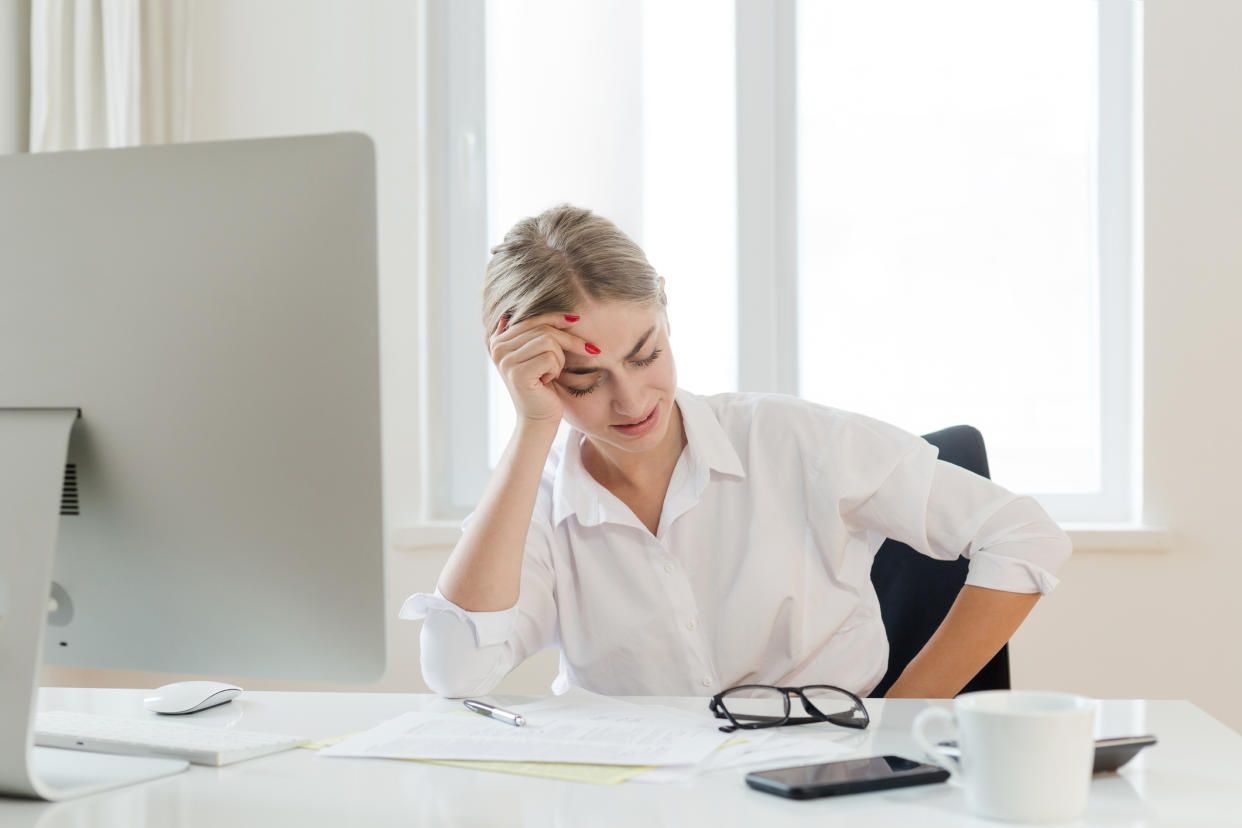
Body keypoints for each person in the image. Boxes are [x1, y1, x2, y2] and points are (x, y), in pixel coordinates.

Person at [402, 204, 1071, 699]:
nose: (633, 401)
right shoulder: (541, 501)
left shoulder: (794, 441)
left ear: (665, 306)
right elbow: (457, 675)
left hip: (815, 781)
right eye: (584, 379)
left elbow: (1025, 536)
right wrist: (531, 429)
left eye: (647, 355)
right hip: (637, 800)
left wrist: (900, 717)